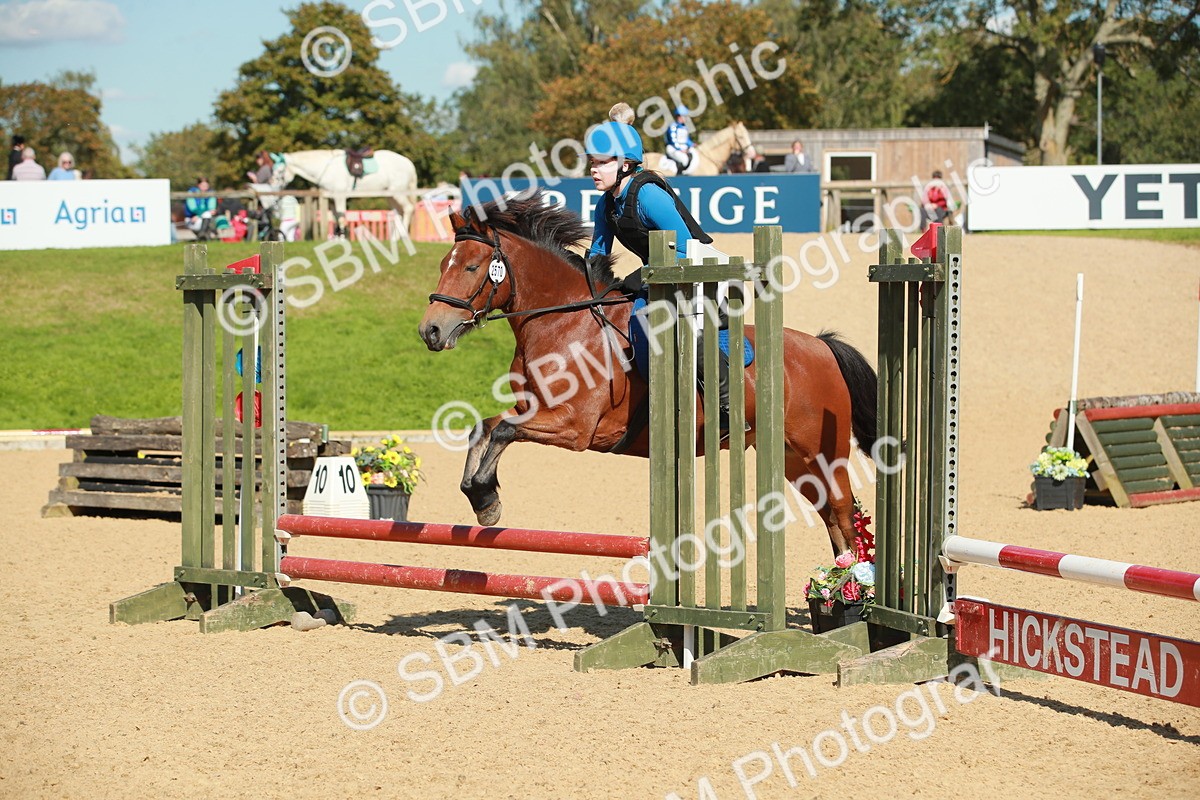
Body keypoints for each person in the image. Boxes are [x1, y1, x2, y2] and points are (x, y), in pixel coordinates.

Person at [584, 119, 741, 431]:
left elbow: (685, 250)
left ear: (626, 164)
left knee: (676, 327)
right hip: (659, 275)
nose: (593, 170)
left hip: (697, 271)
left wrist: (642, 276)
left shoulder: (648, 195)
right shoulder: (606, 204)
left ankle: (728, 405)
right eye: (592, 163)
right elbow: (598, 256)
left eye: (601, 163)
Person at [665, 105, 696, 173]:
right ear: (679, 116)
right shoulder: (673, 126)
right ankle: (680, 175)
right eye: (684, 116)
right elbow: (673, 140)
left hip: (683, 148)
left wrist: (692, 144)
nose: (685, 118)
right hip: (673, 148)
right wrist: (680, 149)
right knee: (684, 159)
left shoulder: (685, 127)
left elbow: (686, 139)